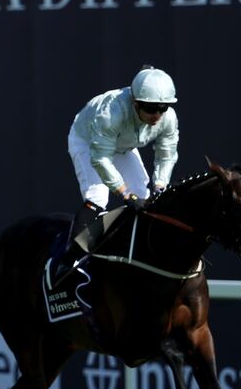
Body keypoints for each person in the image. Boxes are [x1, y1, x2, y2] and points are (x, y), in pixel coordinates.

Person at [54, 66, 180, 281]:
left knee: (144, 193)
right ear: (135, 102)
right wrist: (124, 194)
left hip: (123, 144)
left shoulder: (168, 118)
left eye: (163, 107)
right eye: (151, 108)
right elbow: (100, 158)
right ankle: (68, 261)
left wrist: (161, 185)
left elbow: (166, 153)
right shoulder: (111, 113)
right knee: (97, 196)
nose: (157, 115)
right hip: (88, 141)